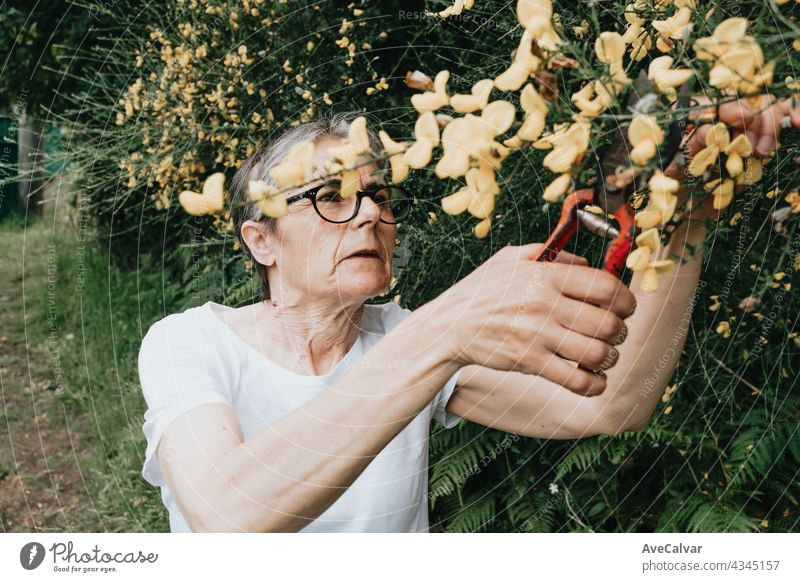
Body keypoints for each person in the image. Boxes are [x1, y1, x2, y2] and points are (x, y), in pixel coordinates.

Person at [138, 98, 797, 532]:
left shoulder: (398, 339)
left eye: (377, 193)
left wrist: (683, 212)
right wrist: (445, 328)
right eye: (331, 196)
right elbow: (227, 512)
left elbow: (613, 402)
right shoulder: (188, 343)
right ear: (261, 241)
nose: (370, 211)